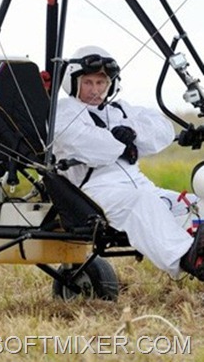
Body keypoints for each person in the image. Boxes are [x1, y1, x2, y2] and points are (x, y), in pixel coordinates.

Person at [52, 45, 204, 281]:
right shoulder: (63, 112)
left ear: (110, 84)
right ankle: (188, 259)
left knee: (195, 203)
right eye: (88, 82)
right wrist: (120, 139)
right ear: (74, 82)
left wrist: (131, 133)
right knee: (141, 203)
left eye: (100, 83)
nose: (95, 90)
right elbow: (90, 147)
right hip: (97, 194)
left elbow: (161, 130)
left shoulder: (120, 108)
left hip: (141, 186)